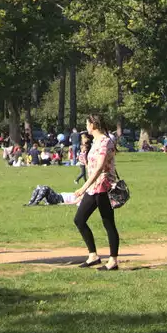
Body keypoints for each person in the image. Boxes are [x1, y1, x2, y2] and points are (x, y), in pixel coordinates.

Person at [68, 116, 119, 270]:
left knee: (108, 222)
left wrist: (83, 188)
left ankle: (113, 261)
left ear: (93, 125)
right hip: (94, 187)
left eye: (87, 124)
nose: (86, 127)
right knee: (80, 220)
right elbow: (92, 165)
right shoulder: (95, 141)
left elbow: (100, 168)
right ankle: (93, 256)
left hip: (103, 186)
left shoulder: (105, 141)